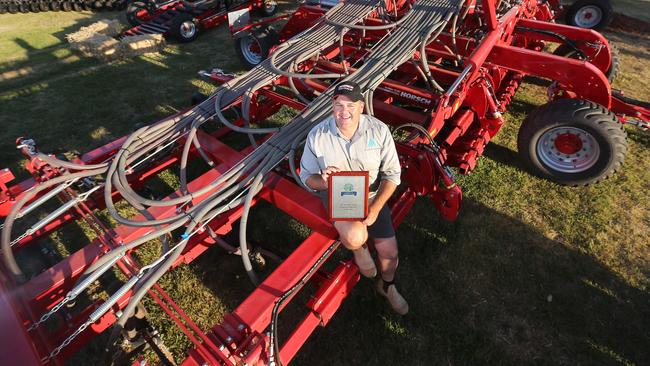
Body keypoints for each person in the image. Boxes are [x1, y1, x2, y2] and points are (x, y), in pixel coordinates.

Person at [299, 81, 408, 315]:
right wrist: (323, 181)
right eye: (338, 105)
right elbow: (307, 175)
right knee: (355, 235)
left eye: (350, 105)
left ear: (361, 107)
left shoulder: (379, 131)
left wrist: (377, 208)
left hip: (371, 195)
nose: (344, 111)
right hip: (339, 194)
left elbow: (392, 175)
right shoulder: (318, 135)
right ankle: (358, 249)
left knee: (390, 253)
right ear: (332, 106)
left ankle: (387, 286)